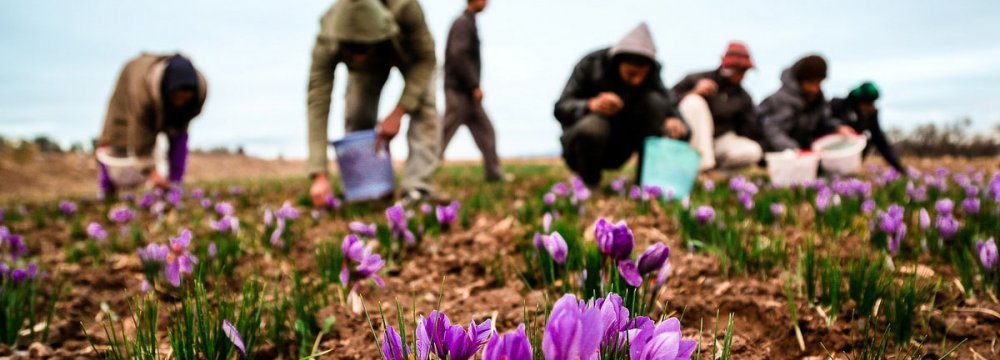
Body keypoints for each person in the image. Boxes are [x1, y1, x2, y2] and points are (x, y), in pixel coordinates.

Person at [307, 0, 441, 206]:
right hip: (369, 68)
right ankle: (367, 189)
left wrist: (398, 112)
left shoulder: (405, 8)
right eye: (351, 49)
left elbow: (426, 59)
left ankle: (417, 188)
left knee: (423, 105)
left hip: (410, 58)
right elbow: (317, 99)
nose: (358, 57)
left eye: (362, 48)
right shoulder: (329, 35)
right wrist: (319, 173)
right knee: (357, 113)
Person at [554, 23, 689, 187]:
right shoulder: (591, 64)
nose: (637, 80)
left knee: (656, 102)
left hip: (623, 145)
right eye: (631, 73)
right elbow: (560, 107)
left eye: (642, 75)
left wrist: (673, 120)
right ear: (617, 62)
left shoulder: (652, 77)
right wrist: (590, 105)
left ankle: (646, 186)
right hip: (584, 145)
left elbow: (671, 106)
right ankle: (588, 184)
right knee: (593, 126)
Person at [96, 53, 207, 198]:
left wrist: (174, 179)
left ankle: (176, 184)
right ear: (168, 90)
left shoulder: (199, 90)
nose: (181, 102)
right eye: (177, 96)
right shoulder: (141, 91)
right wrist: (151, 172)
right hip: (131, 83)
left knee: (178, 132)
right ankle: (106, 187)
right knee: (116, 135)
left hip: (160, 95)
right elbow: (141, 134)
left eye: (185, 97)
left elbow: (180, 134)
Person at [440, 0, 505, 182]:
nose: (487, 2)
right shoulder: (462, 23)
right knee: (444, 131)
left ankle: (494, 173)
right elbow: (458, 54)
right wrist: (473, 85)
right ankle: (423, 173)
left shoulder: (469, 22)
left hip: (467, 92)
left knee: (486, 130)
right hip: (459, 90)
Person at [673, 41, 762, 171]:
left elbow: (750, 130)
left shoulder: (743, 97)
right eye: (737, 70)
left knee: (753, 150)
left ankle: (716, 175)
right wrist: (694, 92)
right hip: (690, 141)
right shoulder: (695, 79)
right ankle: (702, 169)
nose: (741, 75)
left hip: (721, 141)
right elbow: (667, 103)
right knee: (693, 101)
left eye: (744, 71)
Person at [758, 54, 855, 152]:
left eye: (818, 82)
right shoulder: (780, 99)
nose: (815, 88)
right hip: (780, 154)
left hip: (807, 153)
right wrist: (794, 150)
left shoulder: (818, 99)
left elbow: (824, 121)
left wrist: (837, 127)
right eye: (811, 82)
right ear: (800, 80)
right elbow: (773, 131)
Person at [831, 82, 905, 172]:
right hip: (833, 149)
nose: (872, 107)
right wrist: (837, 126)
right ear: (859, 101)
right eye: (868, 103)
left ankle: (851, 172)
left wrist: (898, 167)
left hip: (852, 155)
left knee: (867, 138)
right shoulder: (838, 105)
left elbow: (881, 141)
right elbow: (824, 122)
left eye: (873, 103)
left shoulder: (871, 114)